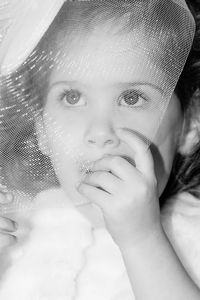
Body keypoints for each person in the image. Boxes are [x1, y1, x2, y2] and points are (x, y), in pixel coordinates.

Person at [0, 0, 199, 299]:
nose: (99, 133)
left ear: (190, 125)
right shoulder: (20, 226)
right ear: (41, 128)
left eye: (131, 98)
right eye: (72, 97)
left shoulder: (190, 234)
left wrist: (142, 239)